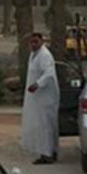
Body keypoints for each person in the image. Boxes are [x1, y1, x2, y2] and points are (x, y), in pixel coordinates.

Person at [21, 31, 59, 164]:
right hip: (36, 98)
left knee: (45, 126)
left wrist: (37, 84)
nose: (33, 44)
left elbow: (49, 74)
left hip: (45, 97)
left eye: (36, 41)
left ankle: (48, 154)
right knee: (40, 125)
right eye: (31, 42)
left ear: (42, 41)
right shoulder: (33, 54)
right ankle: (47, 152)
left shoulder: (45, 55)